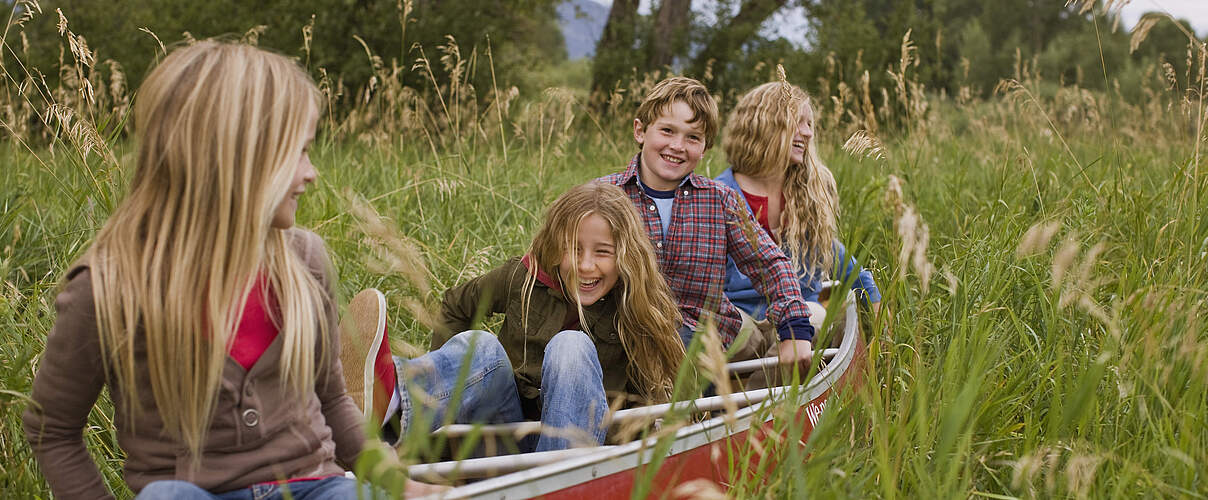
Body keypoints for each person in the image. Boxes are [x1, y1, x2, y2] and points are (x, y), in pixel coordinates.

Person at [21, 41, 443, 500]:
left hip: (311, 486)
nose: (311, 173)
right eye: (298, 152)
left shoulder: (305, 261)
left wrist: (395, 482)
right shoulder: (109, 286)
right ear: (239, 158)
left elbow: (334, 400)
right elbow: (53, 429)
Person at [421, 182, 685, 451]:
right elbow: (456, 305)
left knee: (571, 345)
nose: (585, 265)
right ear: (556, 245)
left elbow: (644, 399)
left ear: (625, 256)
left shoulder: (632, 305)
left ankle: (554, 482)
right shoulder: (523, 278)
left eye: (603, 251)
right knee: (481, 347)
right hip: (506, 440)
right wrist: (451, 386)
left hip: (576, 450)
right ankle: (393, 407)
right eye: (573, 249)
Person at [598, 76, 816, 374]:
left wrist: (794, 330)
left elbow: (770, 264)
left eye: (693, 138)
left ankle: (752, 406)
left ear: (705, 147)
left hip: (709, 342)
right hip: (625, 340)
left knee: (714, 341)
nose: (677, 146)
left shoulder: (720, 200)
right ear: (640, 131)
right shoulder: (602, 196)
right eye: (667, 131)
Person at [716, 81, 881, 338]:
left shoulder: (806, 192)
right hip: (741, 317)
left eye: (809, 124)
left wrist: (875, 307)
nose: (807, 133)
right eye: (797, 122)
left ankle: (790, 375)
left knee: (813, 317)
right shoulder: (718, 194)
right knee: (735, 332)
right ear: (763, 125)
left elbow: (839, 258)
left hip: (802, 314)